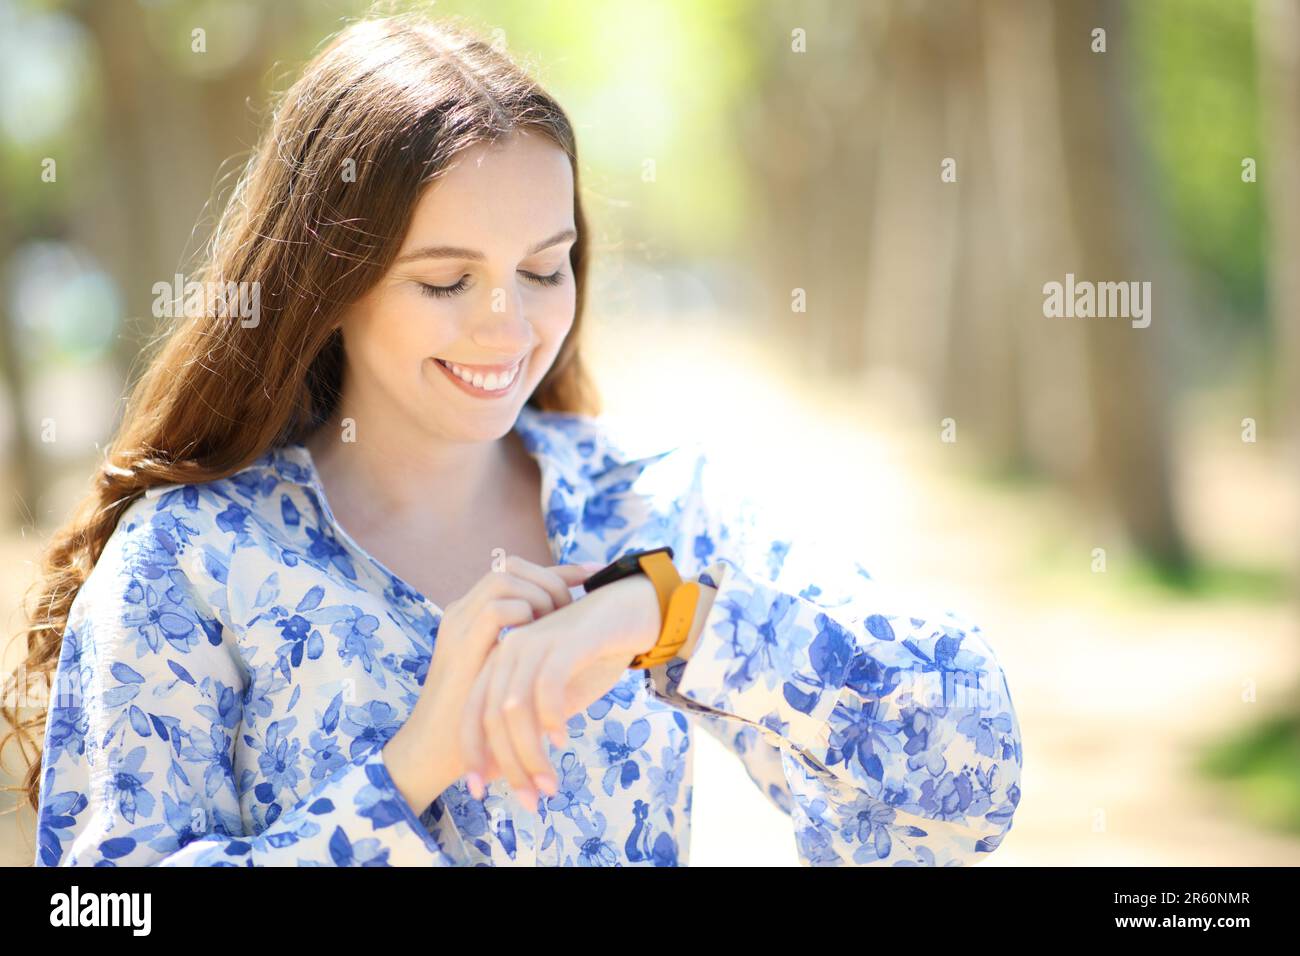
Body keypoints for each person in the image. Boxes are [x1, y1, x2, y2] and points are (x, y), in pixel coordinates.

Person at [6, 14, 1022, 867]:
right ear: (330, 280)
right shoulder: (193, 559)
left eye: (545, 268)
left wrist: (661, 617)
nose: (509, 325)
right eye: (446, 281)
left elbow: (970, 776)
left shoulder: (651, 507)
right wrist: (413, 761)